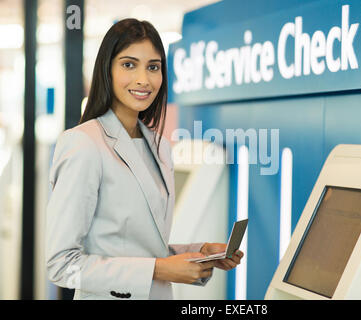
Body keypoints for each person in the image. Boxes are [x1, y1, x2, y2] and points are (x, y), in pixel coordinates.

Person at [46, 18, 243, 300]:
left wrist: (197, 253)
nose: (144, 79)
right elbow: (62, 266)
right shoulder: (84, 143)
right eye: (129, 64)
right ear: (107, 70)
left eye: (153, 67)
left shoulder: (160, 146)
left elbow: (140, 248)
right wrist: (160, 269)